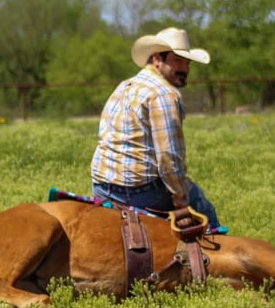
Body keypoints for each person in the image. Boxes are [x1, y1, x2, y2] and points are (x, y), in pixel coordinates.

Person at [91, 26, 228, 234]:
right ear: (157, 59)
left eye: (188, 62)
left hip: (101, 187)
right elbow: (168, 160)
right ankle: (216, 260)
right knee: (200, 203)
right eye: (178, 60)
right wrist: (182, 202)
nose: (185, 68)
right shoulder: (164, 94)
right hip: (137, 192)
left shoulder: (125, 85)